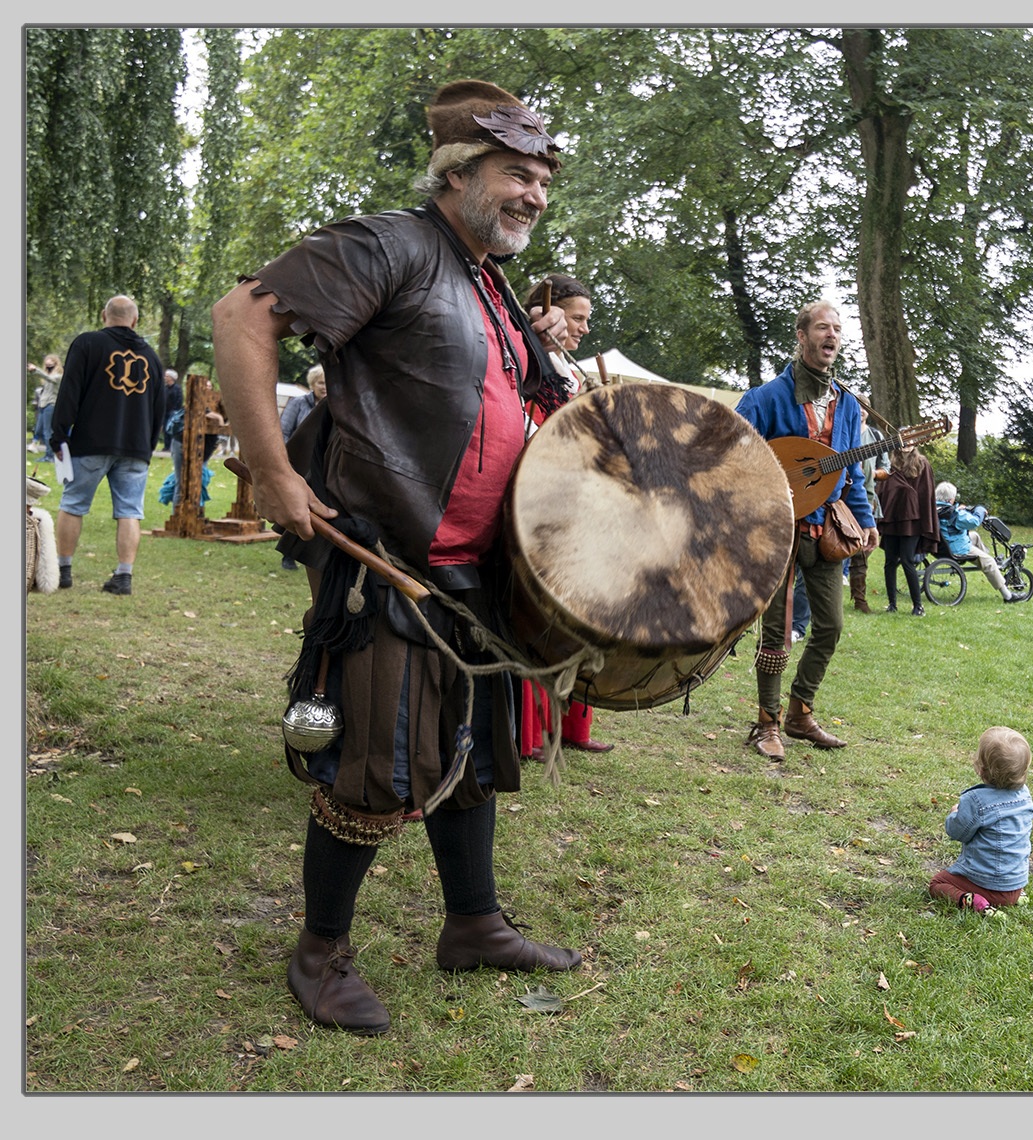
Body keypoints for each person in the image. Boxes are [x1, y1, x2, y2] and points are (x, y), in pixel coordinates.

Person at [211, 79, 583, 1036]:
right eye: (516, 174)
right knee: (376, 763)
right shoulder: (391, 244)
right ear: (456, 173)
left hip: (477, 569)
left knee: (475, 753)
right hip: (386, 559)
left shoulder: (487, 279)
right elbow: (241, 317)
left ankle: (474, 925)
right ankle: (319, 954)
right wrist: (270, 470)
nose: (534, 194)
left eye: (543, 180)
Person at [735, 301, 879, 761]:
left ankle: (800, 710)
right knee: (776, 632)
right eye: (822, 327)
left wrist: (866, 520)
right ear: (801, 336)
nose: (831, 335)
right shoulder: (765, 399)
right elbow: (734, 458)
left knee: (831, 625)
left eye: (837, 328)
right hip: (778, 530)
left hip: (827, 529)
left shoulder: (848, 405)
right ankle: (767, 723)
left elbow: (850, 473)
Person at [517, 273, 611, 756]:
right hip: (535, 502)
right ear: (546, 312)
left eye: (586, 319)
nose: (584, 328)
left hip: (573, 504)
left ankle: (572, 726)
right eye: (577, 318)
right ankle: (530, 731)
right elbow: (523, 427)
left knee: (578, 615)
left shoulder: (569, 371)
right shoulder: (524, 359)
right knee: (537, 617)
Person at [49, 295, 167, 595]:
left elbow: (70, 390)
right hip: (135, 447)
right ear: (135, 320)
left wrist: (59, 433)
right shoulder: (152, 357)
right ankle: (124, 576)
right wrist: (148, 446)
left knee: (73, 505)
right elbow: (159, 409)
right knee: (130, 511)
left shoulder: (87, 344)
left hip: (91, 441)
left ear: (104, 316)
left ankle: (63, 571)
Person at [927, 726, 1033, 915]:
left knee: (937, 883)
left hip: (987, 884)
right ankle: (1016, 897)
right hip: (1015, 884)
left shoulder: (976, 801)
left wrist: (954, 814)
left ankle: (973, 901)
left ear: (982, 769)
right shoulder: (1024, 796)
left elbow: (957, 832)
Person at [876, 442, 938, 616]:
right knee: (889, 561)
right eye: (903, 441)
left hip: (912, 520)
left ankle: (918, 605)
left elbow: (926, 493)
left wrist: (925, 519)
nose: (906, 445)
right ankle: (892, 604)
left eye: (909, 441)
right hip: (892, 518)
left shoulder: (922, 463)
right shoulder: (890, 464)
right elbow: (883, 488)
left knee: (907, 560)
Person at [277, 365, 328, 571]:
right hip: (300, 462)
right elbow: (283, 431)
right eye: (321, 383)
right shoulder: (298, 403)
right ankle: (288, 554)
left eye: (328, 383)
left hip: (322, 465)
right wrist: (285, 462)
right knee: (297, 507)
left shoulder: (335, 405)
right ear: (312, 384)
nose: (324, 387)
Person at [935, 481, 1015, 602]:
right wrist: (980, 510)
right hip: (956, 548)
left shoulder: (936, 508)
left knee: (975, 536)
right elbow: (974, 522)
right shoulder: (952, 514)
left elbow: (951, 516)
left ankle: (989, 563)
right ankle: (1007, 595)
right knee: (989, 561)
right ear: (950, 499)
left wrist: (958, 508)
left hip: (943, 544)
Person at [847, 420, 888, 614]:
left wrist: (870, 474)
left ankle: (859, 598)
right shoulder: (843, 431)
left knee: (862, 552)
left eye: (865, 407)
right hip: (838, 501)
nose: (861, 411)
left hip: (864, 501)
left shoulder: (875, 437)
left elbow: (884, 470)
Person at [28, 354, 63, 451]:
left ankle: (50, 454)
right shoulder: (47, 376)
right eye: (47, 360)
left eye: (50, 360)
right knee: (38, 429)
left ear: (55, 363)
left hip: (50, 404)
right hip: (42, 405)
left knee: (47, 431)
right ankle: (34, 445)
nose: (47, 362)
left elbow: (49, 378)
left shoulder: (59, 376)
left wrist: (36, 370)